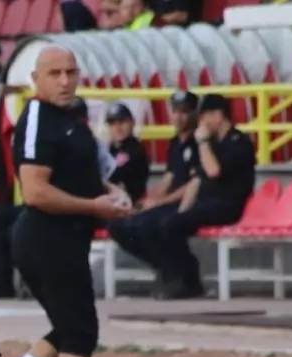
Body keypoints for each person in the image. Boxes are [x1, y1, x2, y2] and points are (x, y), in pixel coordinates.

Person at [0, 46, 131, 357]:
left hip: (65, 238)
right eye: (55, 73)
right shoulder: (37, 118)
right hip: (46, 238)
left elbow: (82, 174)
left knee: (69, 326)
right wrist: (95, 206)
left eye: (71, 71)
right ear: (37, 78)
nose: (65, 80)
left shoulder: (70, 119)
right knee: (81, 330)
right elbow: (34, 191)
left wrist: (111, 193)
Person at [145, 93, 254, 300]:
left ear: (218, 115)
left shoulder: (238, 141)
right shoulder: (212, 143)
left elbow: (213, 171)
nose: (201, 122)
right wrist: (183, 210)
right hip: (207, 204)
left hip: (228, 205)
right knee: (168, 223)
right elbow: (197, 181)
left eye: (205, 116)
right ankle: (181, 277)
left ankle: (187, 280)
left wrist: (203, 142)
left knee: (172, 226)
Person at [107, 90, 200, 295]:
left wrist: (160, 202)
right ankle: (165, 267)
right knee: (122, 226)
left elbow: (194, 182)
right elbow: (169, 177)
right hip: (171, 201)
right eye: (175, 111)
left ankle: (182, 274)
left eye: (184, 112)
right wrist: (151, 200)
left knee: (154, 224)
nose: (178, 117)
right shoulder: (176, 142)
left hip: (191, 201)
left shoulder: (199, 142)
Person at [104, 103, 149, 207]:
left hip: (128, 204)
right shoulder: (109, 149)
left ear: (132, 123)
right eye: (113, 123)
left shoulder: (135, 150)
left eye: (122, 122)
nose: (118, 127)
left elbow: (118, 178)